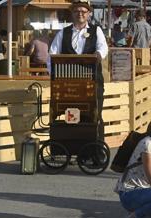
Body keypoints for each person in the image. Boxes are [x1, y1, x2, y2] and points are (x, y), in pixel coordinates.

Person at [49, 0, 108, 140]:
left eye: (83, 11)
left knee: (95, 115)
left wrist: (97, 56)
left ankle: (96, 150)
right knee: (71, 115)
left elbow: (103, 48)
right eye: (77, 11)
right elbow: (52, 54)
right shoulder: (63, 33)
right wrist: (54, 74)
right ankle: (71, 146)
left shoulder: (96, 30)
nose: (80, 14)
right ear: (72, 13)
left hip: (92, 83)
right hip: (69, 85)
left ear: (88, 14)